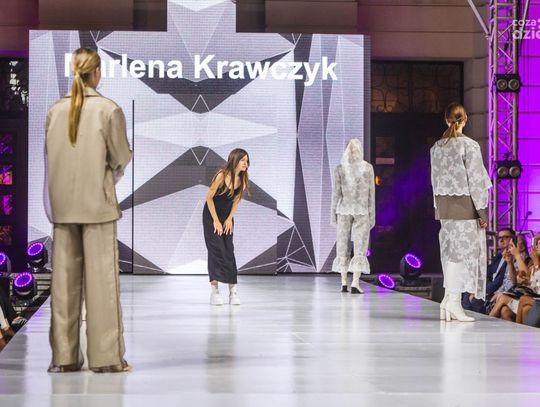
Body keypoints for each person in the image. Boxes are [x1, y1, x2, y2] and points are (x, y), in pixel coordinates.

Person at [45, 47, 132, 373]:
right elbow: (121, 157)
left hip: (63, 209)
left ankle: (64, 359)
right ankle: (107, 359)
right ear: (96, 73)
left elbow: (49, 159)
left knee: (63, 289)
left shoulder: (55, 111)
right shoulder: (109, 110)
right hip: (98, 207)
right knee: (102, 285)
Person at [430, 103, 492, 322]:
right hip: (465, 208)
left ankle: (448, 299)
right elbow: (476, 181)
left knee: (450, 254)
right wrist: (482, 212)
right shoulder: (469, 146)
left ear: (446, 120)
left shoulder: (436, 147)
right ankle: (454, 302)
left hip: (444, 209)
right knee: (462, 255)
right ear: (464, 119)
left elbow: (434, 181)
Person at [203, 149, 249, 306]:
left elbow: (236, 201)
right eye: (243, 160)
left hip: (227, 218)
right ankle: (214, 291)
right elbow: (209, 198)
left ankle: (233, 291)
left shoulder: (242, 179)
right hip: (212, 217)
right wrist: (216, 220)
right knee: (216, 251)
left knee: (229, 250)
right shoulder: (221, 176)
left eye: (247, 161)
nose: (246, 164)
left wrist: (229, 219)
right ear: (234, 160)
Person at [330, 138, 375, 294]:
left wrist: (333, 214)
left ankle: (348, 282)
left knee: (350, 246)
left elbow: (370, 194)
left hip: (350, 210)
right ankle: (351, 282)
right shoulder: (360, 168)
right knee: (354, 246)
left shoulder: (363, 168)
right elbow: (336, 194)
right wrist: (372, 215)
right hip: (356, 210)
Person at [490, 233, 540, 322]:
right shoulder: (532, 264)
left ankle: (486, 323)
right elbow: (519, 280)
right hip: (530, 296)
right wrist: (510, 263)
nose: (535, 248)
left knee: (505, 298)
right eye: (536, 244)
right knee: (505, 311)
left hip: (534, 299)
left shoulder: (528, 260)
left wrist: (518, 255)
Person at [462, 228, 513, 314]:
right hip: (489, 287)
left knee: (476, 299)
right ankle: (465, 317)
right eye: (499, 238)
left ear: (512, 239)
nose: (501, 240)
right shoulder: (498, 256)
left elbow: (499, 281)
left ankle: (475, 320)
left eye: (505, 237)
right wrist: (475, 287)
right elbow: (486, 273)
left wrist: (481, 291)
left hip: (498, 291)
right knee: (468, 291)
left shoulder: (512, 257)